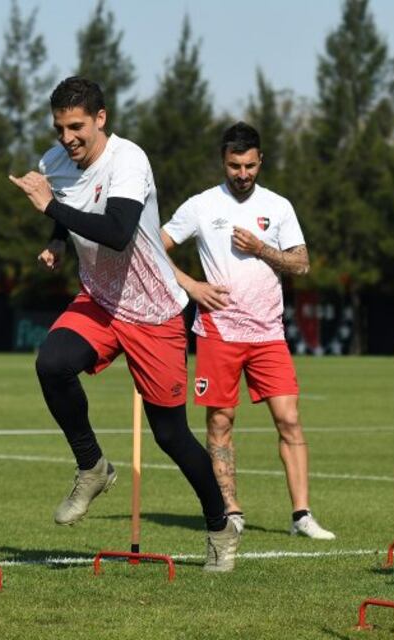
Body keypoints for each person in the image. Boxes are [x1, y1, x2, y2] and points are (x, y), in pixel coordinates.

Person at [10, 76, 239, 572]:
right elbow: (70, 211)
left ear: (101, 120)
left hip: (154, 310)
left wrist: (50, 206)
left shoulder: (129, 161)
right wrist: (56, 239)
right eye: (58, 129)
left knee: (171, 437)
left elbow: (116, 232)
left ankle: (221, 526)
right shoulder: (56, 164)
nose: (67, 138)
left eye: (76, 127)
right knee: (51, 363)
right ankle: (92, 466)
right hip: (100, 301)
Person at [161, 122, 334, 540]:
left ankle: (302, 516)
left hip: (268, 334)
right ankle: (231, 510)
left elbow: (302, 263)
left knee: (289, 419)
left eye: (250, 166)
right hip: (218, 331)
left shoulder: (278, 206)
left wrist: (262, 250)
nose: (243, 174)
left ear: (261, 162)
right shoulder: (201, 206)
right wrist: (192, 285)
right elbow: (153, 246)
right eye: (235, 165)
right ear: (223, 161)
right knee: (221, 420)